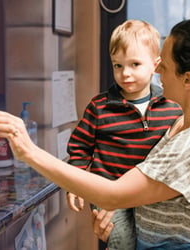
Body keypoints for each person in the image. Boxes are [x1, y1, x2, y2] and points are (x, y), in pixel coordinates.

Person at [0, 18, 190, 249]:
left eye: (164, 65)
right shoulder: (186, 123)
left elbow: (114, 194)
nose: (158, 71)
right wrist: (117, 212)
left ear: (188, 79)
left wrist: (29, 151)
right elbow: (142, 188)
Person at [65, 19, 182, 250]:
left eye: (135, 64)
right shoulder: (99, 106)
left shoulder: (173, 106)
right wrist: (75, 184)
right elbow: (79, 147)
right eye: (118, 65)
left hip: (149, 194)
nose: (125, 73)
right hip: (108, 193)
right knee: (121, 242)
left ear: (156, 65)